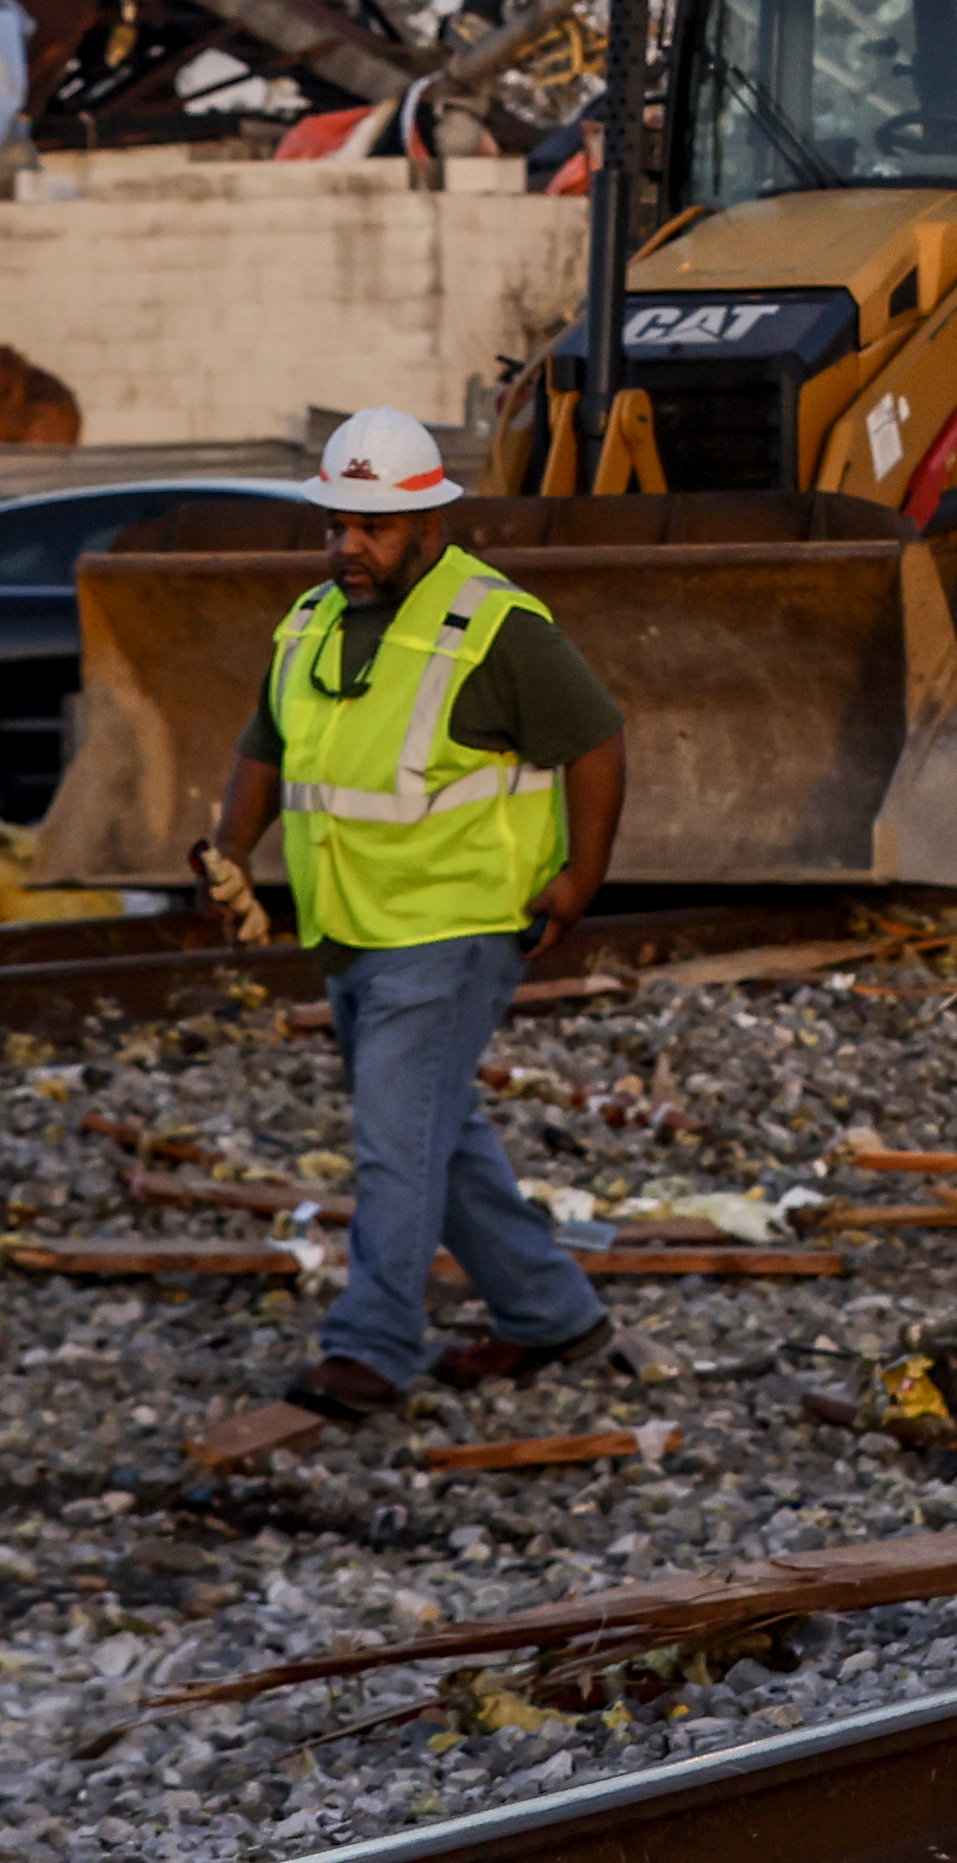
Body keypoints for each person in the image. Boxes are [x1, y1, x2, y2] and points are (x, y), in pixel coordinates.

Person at [197, 408, 632, 1421]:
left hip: (454, 929)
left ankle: (371, 1348)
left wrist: (580, 880)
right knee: (439, 1129)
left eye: (373, 527)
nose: (350, 544)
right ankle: (550, 1312)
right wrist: (230, 850)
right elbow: (265, 743)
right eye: (338, 523)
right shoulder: (310, 619)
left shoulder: (496, 626)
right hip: (352, 929)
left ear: (430, 524)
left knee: (396, 1140)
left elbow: (599, 742)